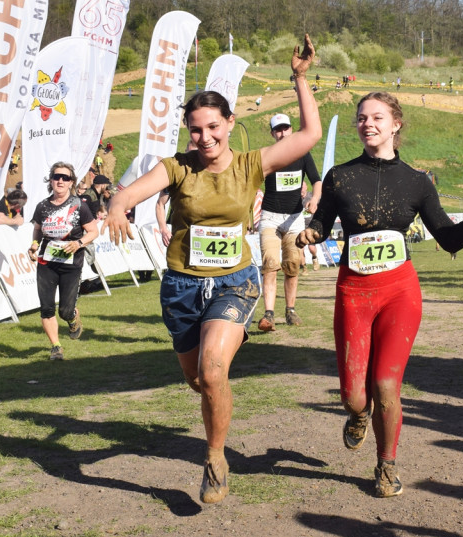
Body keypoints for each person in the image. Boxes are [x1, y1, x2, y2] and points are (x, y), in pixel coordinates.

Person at [108, 34, 322, 504]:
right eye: (195, 129)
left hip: (233, 283)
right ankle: (216, 398)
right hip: (183, 286)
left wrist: (300, 78)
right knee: (199, 381)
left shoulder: (251, 164)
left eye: (212, 126)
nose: (204, 137)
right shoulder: (178, 167)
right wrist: (116, 206)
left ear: (229, 122)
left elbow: (310, 137)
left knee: (211, 371)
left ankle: (215, 457)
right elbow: (128, 193)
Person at [297, 91, 463, 499]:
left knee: (387, 384)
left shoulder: (417, 181)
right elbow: (322, 219)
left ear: (395, 124)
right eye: (362, 118)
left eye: (377, 117)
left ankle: (386, 465)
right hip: (354, 291)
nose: (368, 123)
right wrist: (311, 232)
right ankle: (359, 415)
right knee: (354, 396)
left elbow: (448, 238)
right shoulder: (340, 176)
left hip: (399, 292)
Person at [257, 112, 322, 332]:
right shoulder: (265, 155)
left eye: (285, 128)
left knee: (293, 265)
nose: (282, 133)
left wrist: (314, 198)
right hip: (270, 218)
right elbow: (250, 181)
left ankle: (290, 310)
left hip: (294, 219)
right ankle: (269, 314)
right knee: (270, 264)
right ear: (272, 133)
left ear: (291, 129)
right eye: (278, 130)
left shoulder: (303, 154)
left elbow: (316, 180)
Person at [27, 163, 98, 361]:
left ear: (71, 182)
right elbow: (38, 230)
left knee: (65, 311)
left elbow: (94, 231)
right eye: (56, 176)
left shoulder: (79, 206)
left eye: (65, 178)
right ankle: (56, 347)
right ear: (51, 180)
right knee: (47, 307)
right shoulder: (42, 206)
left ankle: (73, 317)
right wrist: (34, 244)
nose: (60, 181)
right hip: (46, 263)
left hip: (71, 264)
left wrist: (78, 243)